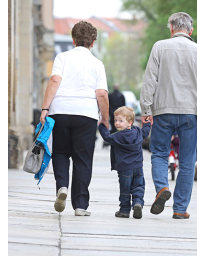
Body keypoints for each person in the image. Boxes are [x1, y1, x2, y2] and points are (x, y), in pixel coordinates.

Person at [140, 12, 197, 219]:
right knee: (187, 161)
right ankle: (180, 208)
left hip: (163, 111)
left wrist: (146, 109)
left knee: (160, 152)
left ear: (171, 27)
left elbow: (149, 80)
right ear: (191, 30)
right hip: (191, 113)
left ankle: (162, 187)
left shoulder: (159, 47)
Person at [40, 21, 109, 216]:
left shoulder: (62, 57)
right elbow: (102, 94)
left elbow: (54, 80)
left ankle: (62, 186)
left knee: (60, 152)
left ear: (73, 40)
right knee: (83, 159)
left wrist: (45, 108)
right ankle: (80, 205)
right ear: (93, 42)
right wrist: (105, 118)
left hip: (59, 111)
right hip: (86, 114)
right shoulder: (97, 63)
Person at [98, 106, 151, 219]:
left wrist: (102, 126)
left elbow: (107, 137)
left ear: (129, 123)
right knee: (139, 186)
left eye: (120, 121)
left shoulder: (118, 136)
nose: (117, 123)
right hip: (138, 167)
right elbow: (145, 132)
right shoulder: (137, 132)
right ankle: (137, 203)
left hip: (125, 169)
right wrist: (147, 123)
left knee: (125, 189)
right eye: (116, 120)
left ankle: (124, 210)